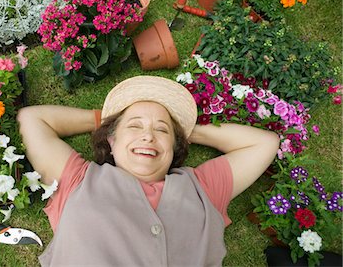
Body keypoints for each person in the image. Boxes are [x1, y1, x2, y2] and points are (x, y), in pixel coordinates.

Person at [17, 75, 280, 266]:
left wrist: (185, 131)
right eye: (134, 126)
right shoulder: (77, 180)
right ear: (111, 140)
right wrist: (106, 119)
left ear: (176, 146)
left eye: (161, 130)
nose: (148, 137)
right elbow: (31, 119)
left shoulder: (202, 188)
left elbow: (264, 143)